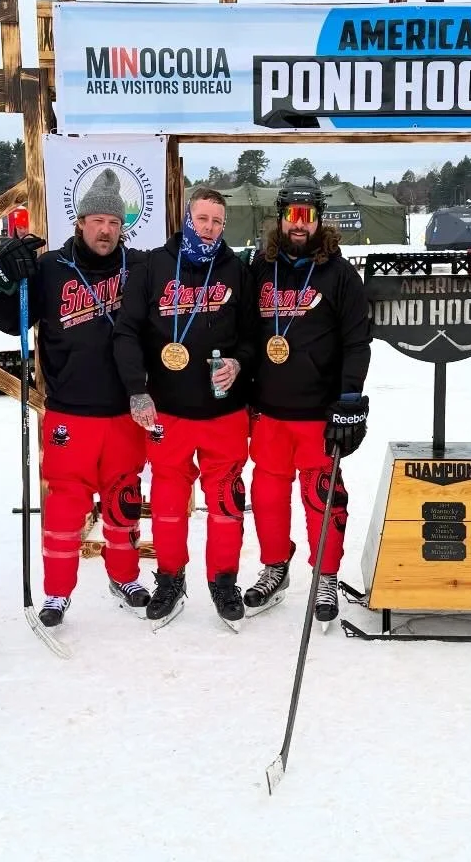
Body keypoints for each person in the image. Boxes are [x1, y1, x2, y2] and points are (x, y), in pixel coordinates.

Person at [0, 169, 152, 627]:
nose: (105, 230)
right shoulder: (51, 267)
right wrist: (4, 283)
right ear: (80, 222)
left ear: (124, 227)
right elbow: (9, 322)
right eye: (97, 220)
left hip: (123, 411)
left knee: (123, 503)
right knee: (62, 508)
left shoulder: (138, 267)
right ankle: (57, 593)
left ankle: (126, 577)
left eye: (114, 223)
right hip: (69, 412)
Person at [112, 186, 260, 628]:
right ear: (186, 218)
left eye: (218, 220)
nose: (210, 228)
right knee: (168, 503)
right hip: (169, 411)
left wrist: (238, 362)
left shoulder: (236, 268)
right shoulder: (154, 264)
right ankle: (170, 578)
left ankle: (223, 579)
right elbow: (127, 332)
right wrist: (137, 390)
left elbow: (254, 335)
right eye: (203, 219)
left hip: (223, 412)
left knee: (226, 501)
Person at [243, 177, 371, 628]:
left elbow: (358, 341)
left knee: (324, 496)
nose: (299, 225)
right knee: (268, 495)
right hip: (270, 411)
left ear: (320, 218)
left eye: (308, 215)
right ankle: (275, 566)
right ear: (279, 218)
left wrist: (350, 399)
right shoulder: (260, 267)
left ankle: (326, 575)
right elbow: (240, 333)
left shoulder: (339, 273)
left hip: (318, 412)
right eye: (292, 215)